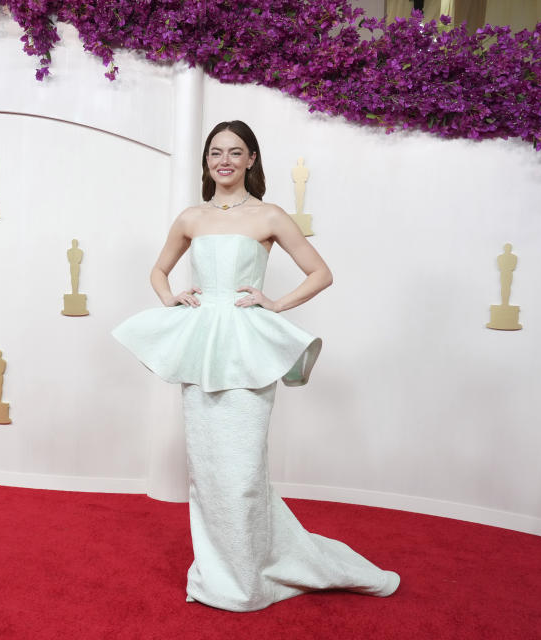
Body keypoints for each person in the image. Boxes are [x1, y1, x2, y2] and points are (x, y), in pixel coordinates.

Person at [112, 121, 399, 612]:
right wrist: (172, 299)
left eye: (235, 152)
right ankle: (220, 574)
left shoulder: (270, 215)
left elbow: (321, 273)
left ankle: (252, 575)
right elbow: (159, 270)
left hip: (246, 344)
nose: (224, 160)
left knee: (243, 474)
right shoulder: (190, 218)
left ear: (251, 160)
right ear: (207, 162)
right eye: (216, 152)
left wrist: (275, 305)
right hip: (204, 345)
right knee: (208, 474)